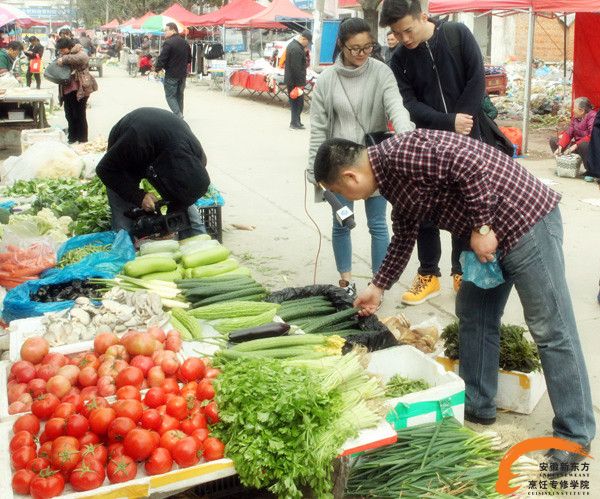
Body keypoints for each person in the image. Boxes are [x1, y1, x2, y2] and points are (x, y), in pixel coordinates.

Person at [314, 131, 595, 474]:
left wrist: (481, 225)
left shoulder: (402, 153)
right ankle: (477, 404)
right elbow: (404, 234)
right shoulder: (390, 180)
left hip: (524, 222)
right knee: (473, 315)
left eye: (344, 194)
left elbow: (470, 163)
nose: (351, 199)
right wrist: (379, 286)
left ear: (350, 176)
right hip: (487, 240)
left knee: (552, 330)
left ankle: (575, 436)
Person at [380, 0, 493, 305]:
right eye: (397, 33)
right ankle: (428, 274)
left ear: (423, 16)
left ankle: (459, 270)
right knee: (424, 208)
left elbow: (477, 78)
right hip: (428, 142)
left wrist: (463, 121)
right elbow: (409, 103)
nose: (404, 38)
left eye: (407, 30)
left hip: (468, 137)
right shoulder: (400, 58)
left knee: (464, 207)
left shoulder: (456, 34)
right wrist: (448, 122)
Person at [307, 18, 413, 296]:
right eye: (355, 48)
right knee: (342, 222)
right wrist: (313, 169)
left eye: (368, 47)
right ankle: (346, 281)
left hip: (374, 162)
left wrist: (406, 136)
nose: (362, 54)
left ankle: (378, 284)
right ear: (341, 45)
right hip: (340, 167)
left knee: (378, 223)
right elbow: (318, 128)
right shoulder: (327, 79)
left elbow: (396, 108)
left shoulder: (382, 72)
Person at [96, 107, 209, 240]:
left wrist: (171, 221)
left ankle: (199, 241)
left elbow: (183, 198)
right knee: (124, 225)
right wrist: (139, 196)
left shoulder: (197, 157)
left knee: (186, 208)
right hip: (125, 158)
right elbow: (104, 170)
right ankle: (126, 247)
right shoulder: (135, 142)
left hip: (160, 142)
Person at [56, 37, 97, 144]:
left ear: (69, 47)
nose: (61, 51)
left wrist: (64, 59)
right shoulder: (63, 55)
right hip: (66, 90)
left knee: (79, 114)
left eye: (62, 49)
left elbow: (83, 58)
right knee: (69, 114)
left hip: (79, 89)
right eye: (60, 50)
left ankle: (82, 139)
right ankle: (72, 138)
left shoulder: (79, 51)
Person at [550, 96, 597, 181]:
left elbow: (591, 136)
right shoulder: (575, 118)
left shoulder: (593, 117)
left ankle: (591, 171)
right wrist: (560, 146)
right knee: (554, 141)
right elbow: (569, 132)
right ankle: (563, 167)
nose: (573, 110)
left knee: (584, 145)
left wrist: (574, 146)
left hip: (589, 148)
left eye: (574, 108)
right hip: (577, 146)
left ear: (581, 110)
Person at [154, 23, 191, 118]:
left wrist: (157, 69)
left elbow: (162, 58)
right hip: (182, 74)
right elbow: (189, 59)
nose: (164, 32)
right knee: (180, 96)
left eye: (166, 30)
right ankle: (179, 115)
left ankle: (178, 115)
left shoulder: (168, 43)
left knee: (170, 96)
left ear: (173, 30)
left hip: (171, 74)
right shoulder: (185, 43)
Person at [283, 30, 312, 130]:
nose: (307, 45)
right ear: (303, 39)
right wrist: (300, 84)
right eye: (308, 42)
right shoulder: (296, 49)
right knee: (296, 103)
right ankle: (294, 123)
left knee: (297, 102)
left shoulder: (295, 46)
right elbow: (296, 68)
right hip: (295, 81)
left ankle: (297, 121)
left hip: (293, 80)